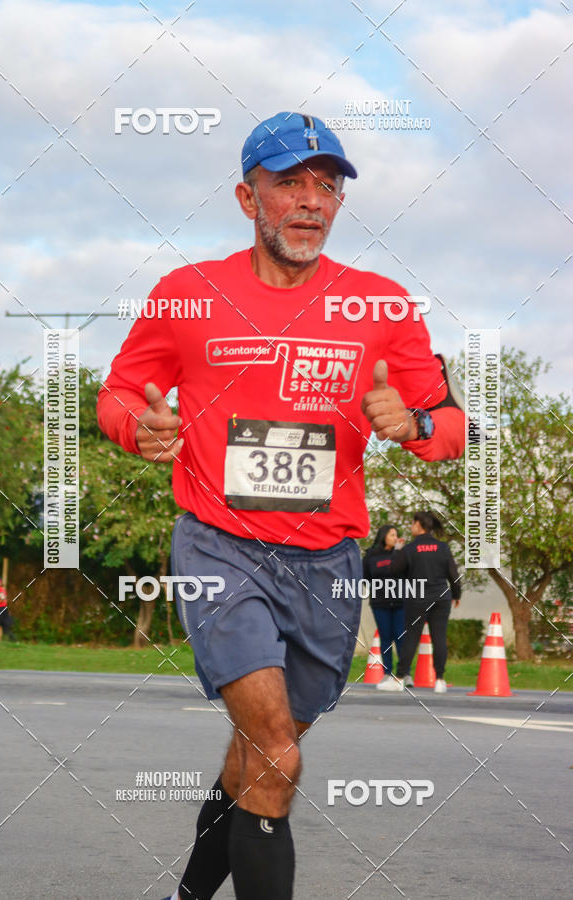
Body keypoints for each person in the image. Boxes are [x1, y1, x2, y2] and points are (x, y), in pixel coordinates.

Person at [97, 111, 466, 900]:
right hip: (220, 546)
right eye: (288, 182)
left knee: (258, 756)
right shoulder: (188, 295)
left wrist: (418, 421)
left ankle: (187, 895)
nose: (310, 202)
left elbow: (453, 426)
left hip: (327, 562)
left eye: (326, 186)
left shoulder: (383, 307)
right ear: (247, 196)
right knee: (275, 750)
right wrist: (139, 427)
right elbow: (118, 395)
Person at [377, 510, 461, 694]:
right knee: (439, 638)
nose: (410, 526)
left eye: (412, 523)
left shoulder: (410, 549)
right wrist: (457, 594)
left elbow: (393, 570)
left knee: (411, 638)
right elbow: (453, 574)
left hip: (417, 598)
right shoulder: (443, 548)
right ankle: (440, 680)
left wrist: (397, 552)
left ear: (418, 525)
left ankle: (399, 678)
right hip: (441, 597)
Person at [362, 524, 413, 687]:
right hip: (380, 602)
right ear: (383, 536)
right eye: (392, 535)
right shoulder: (371, 555)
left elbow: (406, 572)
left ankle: (405, 673)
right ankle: (387, 673)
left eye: (396, 535)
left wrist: (398, 551)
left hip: (400, 601)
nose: (395, 538)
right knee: (385, 637)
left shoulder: (401, 554)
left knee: (400, 636)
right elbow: (365, 576)